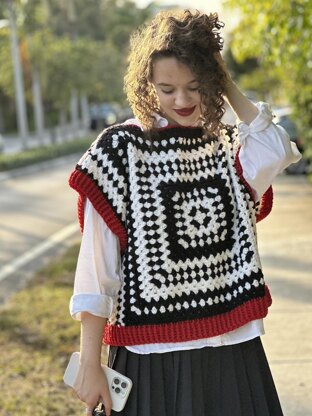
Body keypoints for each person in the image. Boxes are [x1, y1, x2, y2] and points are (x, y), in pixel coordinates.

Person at [68, 9, 301, 416]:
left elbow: (278, 150)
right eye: (167, 88)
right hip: (150, 356)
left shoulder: (226, 146)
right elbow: (96, 270)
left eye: (195, 86)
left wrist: (222, 77)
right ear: (147, 84)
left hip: (233, 347)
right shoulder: (120, 151)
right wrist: (90, 361)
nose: (182, 100)